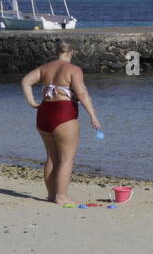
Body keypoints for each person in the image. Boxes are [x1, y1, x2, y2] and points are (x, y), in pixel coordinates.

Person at [20, 39, 102, 205]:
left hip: (44, 114)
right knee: (66, 159)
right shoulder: (74, 70)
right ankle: (61, 196)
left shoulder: (45, 68)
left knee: (51, 157)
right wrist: (93, 116)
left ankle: (51, 195)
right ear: (71, 52)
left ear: (56, 52)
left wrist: (33, 103)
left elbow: (25, 81)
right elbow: (82, 94)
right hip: (63, 114)